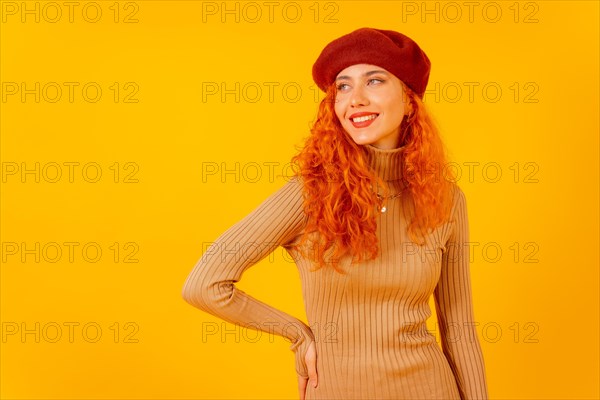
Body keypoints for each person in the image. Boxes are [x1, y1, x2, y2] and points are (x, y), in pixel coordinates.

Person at [182, 27, 489, 400]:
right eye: (343, 87)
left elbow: (459, 332)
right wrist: (297, 334)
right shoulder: (309, 194)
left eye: (374, 81)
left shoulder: (446, 200)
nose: (355, 99)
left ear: (410, 100)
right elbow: (205, 284)